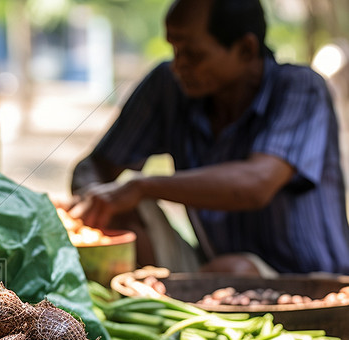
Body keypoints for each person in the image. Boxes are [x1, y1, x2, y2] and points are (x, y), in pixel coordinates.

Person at [67, 0, 349, 276]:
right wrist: (93, 201)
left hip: (309, 282)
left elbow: (256, 184)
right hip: (210, 270)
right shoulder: (169, 86)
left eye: (193, 54)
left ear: (245, 49)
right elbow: (94, 167)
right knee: (116, 207)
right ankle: (157, 297)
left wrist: (143, 186)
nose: (178, 66)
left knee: (232, 271)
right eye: (175, 49)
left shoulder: (301, 89)